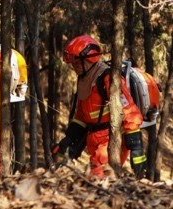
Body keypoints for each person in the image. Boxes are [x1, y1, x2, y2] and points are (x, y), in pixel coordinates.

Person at [52, 35, 146, 178]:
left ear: (89, 61)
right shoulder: (85, 80)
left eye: (77, 63)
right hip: (94, 138)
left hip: (110, 138)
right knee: (95, 177)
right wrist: (69, 139)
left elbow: (130, 111)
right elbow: (82, 115)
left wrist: (136, 147)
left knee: (99, 176)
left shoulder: (109, 79)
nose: (74, 67)